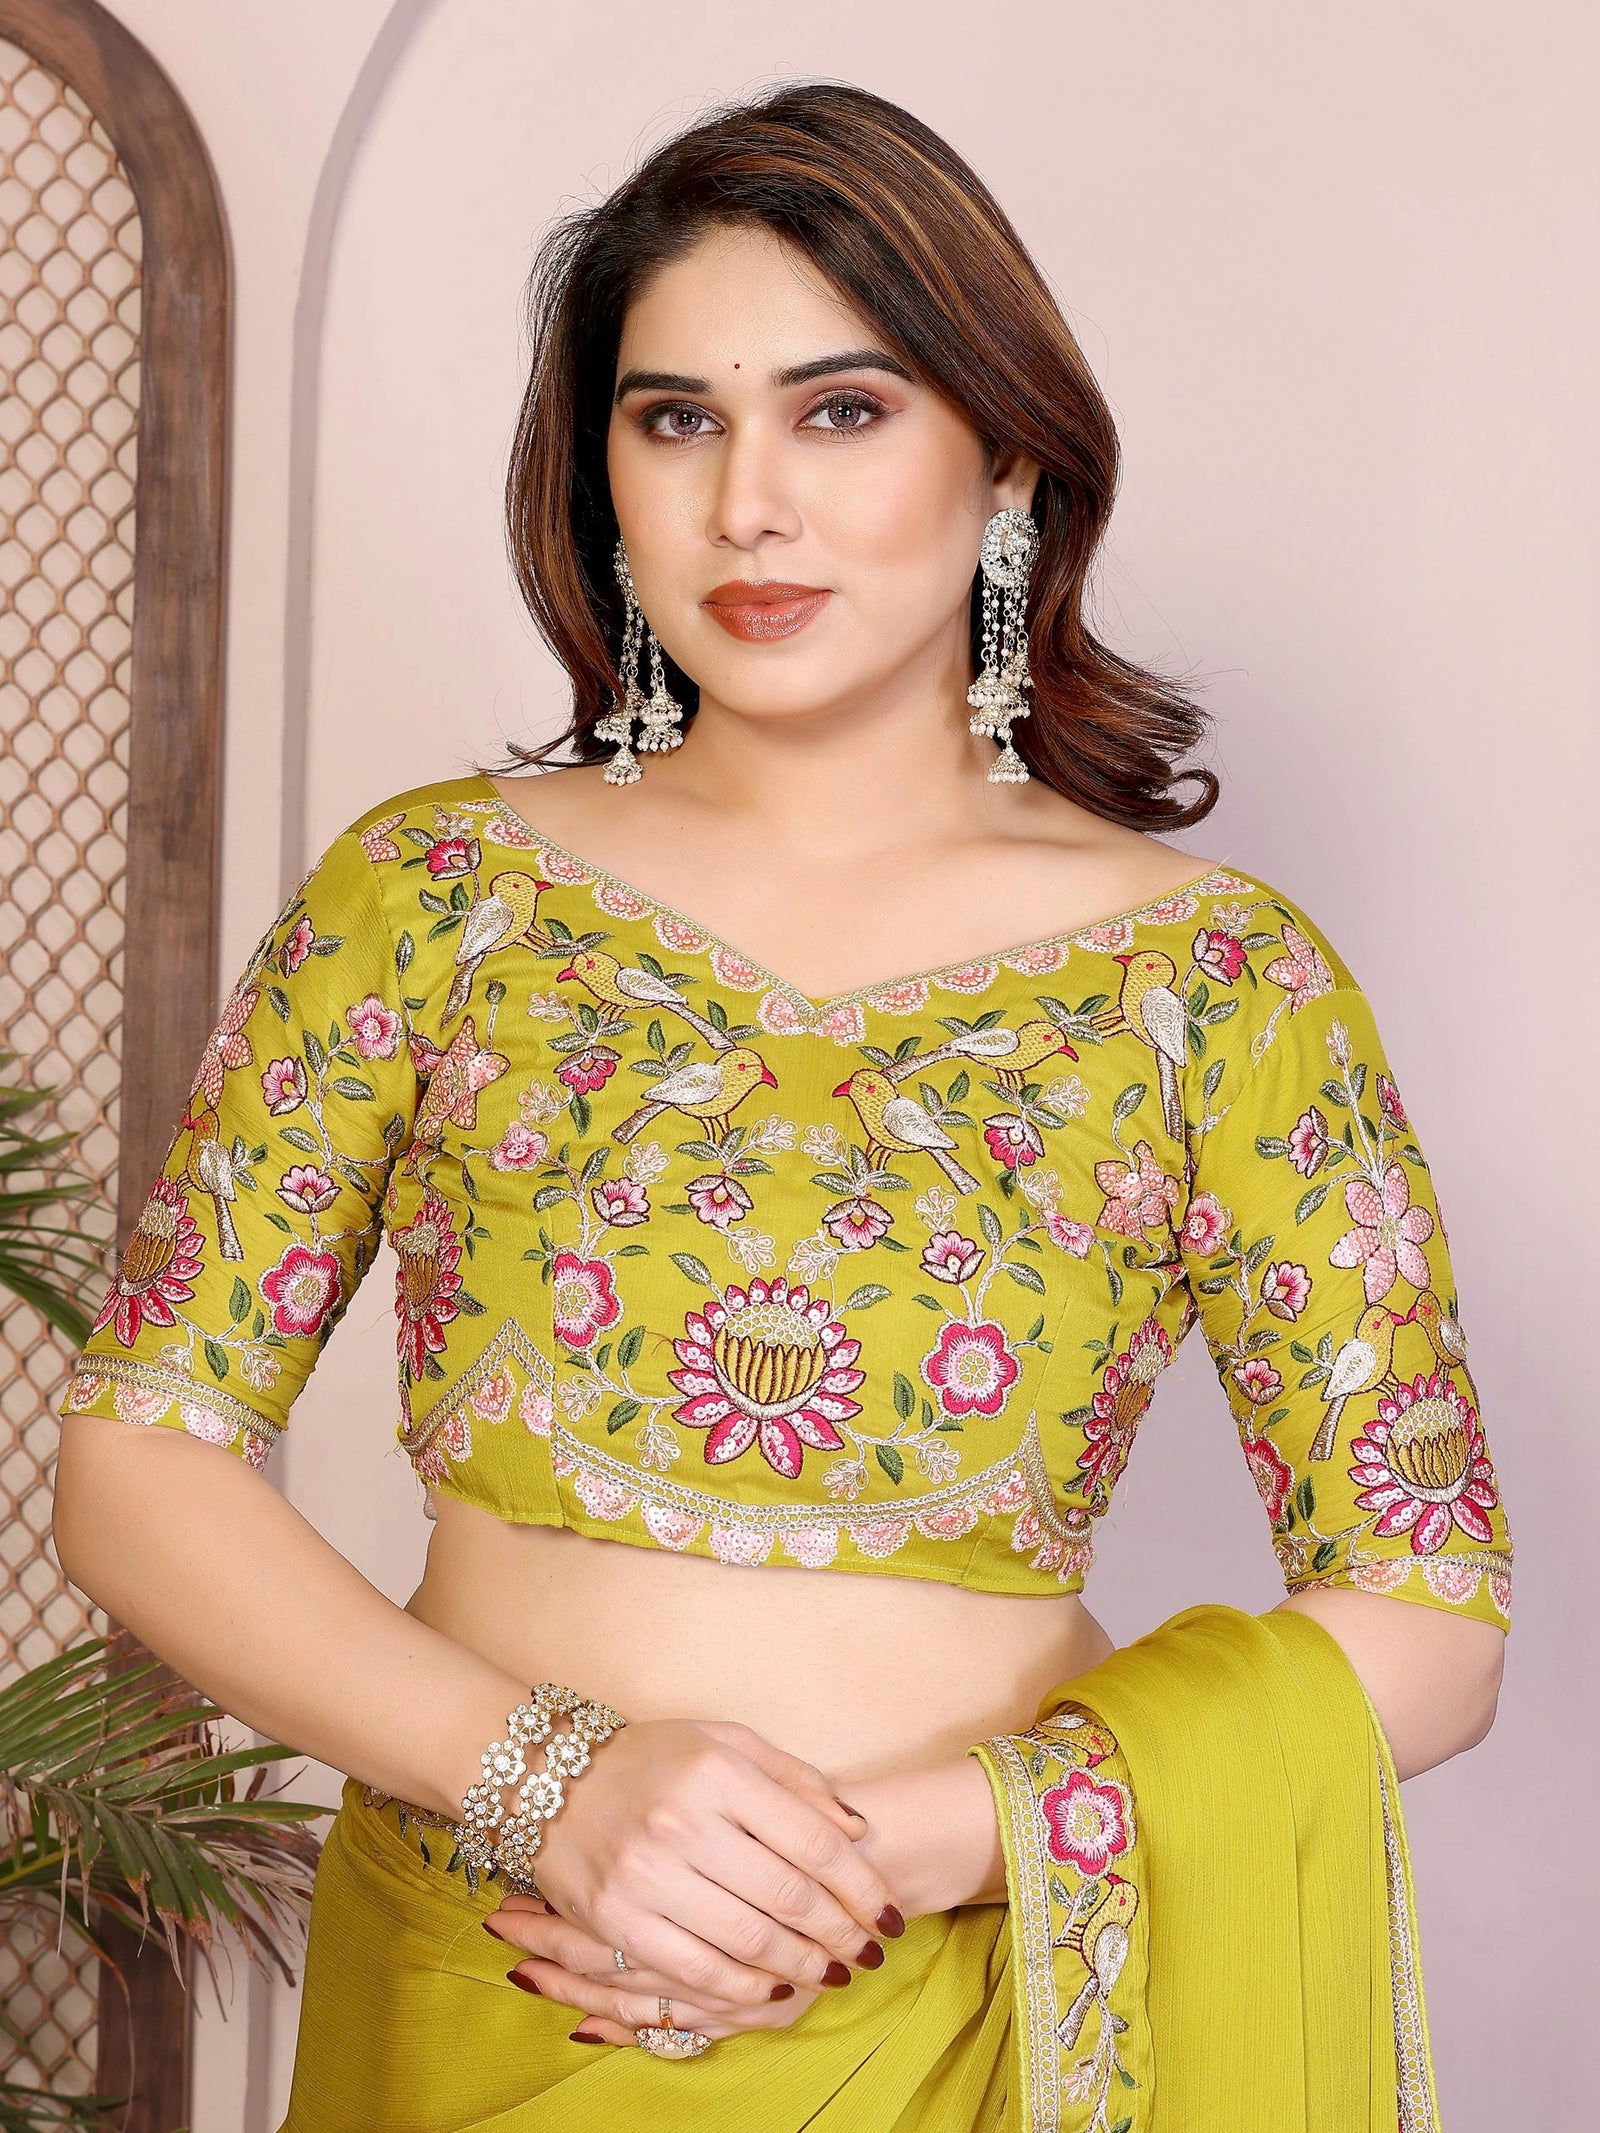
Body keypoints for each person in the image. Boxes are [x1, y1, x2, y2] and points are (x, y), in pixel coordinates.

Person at [52, 81, 1511, 2132]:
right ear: (600, 477)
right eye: (673, 419)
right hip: (488, 1969)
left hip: (958, 2008)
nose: (748, 501)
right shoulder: (441, 896)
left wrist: (905, 1843)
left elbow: (1424, 1608)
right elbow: (141, 1456)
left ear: (1002, 458)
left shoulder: (1214, 983)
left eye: (840, 412)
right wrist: (553, 1781)